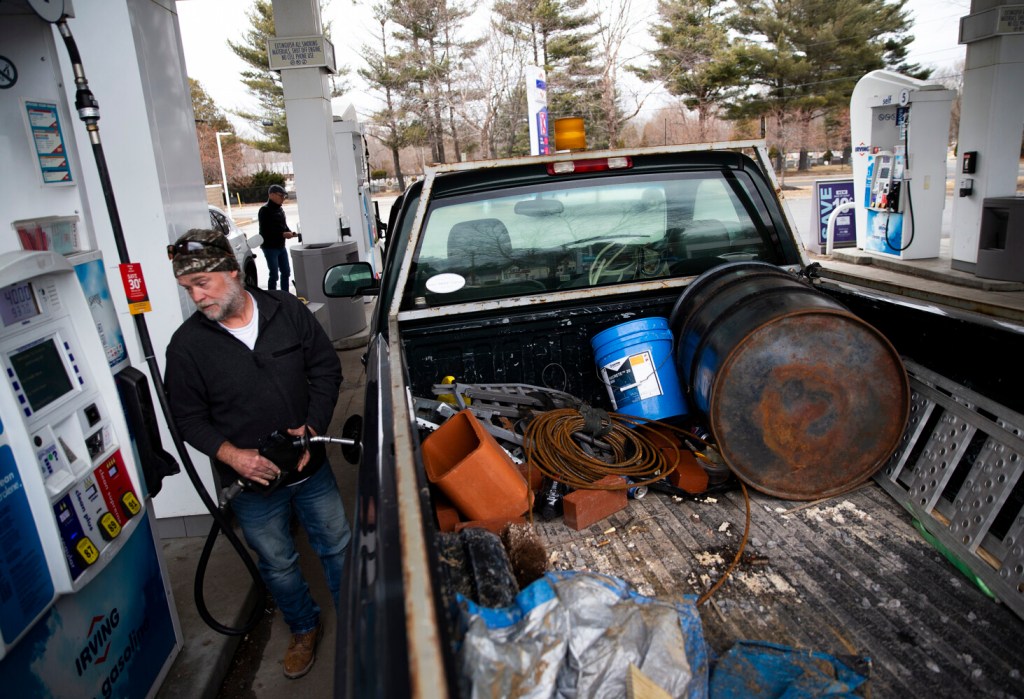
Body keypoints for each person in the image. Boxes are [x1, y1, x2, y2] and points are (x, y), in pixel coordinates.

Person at [163, 228, 349, 679]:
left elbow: (326, 370)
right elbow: (186, 418)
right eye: (188, 289)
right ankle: (304, 628)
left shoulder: (286, 312)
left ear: (233, 272)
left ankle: (360, 617)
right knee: (278, 563)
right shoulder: (187, 346)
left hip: (309, 468)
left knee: (338, 546)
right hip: (252, 485)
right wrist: (232, 455)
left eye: (203, 283)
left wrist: (313, 428)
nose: (197, 297)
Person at [258, 184, 296, 291]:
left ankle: (285, 295)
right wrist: (283, 234)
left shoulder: (280, 210)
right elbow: (266, 231)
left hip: (281, 246)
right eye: (281, 196)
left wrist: (290, 233)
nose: (283, 199)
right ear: (271, 195)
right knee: (274, 274)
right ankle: (272, 296)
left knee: (286, 272)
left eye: (284, 196)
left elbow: (284, 226)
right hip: (270, 247)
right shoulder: (264, 210)